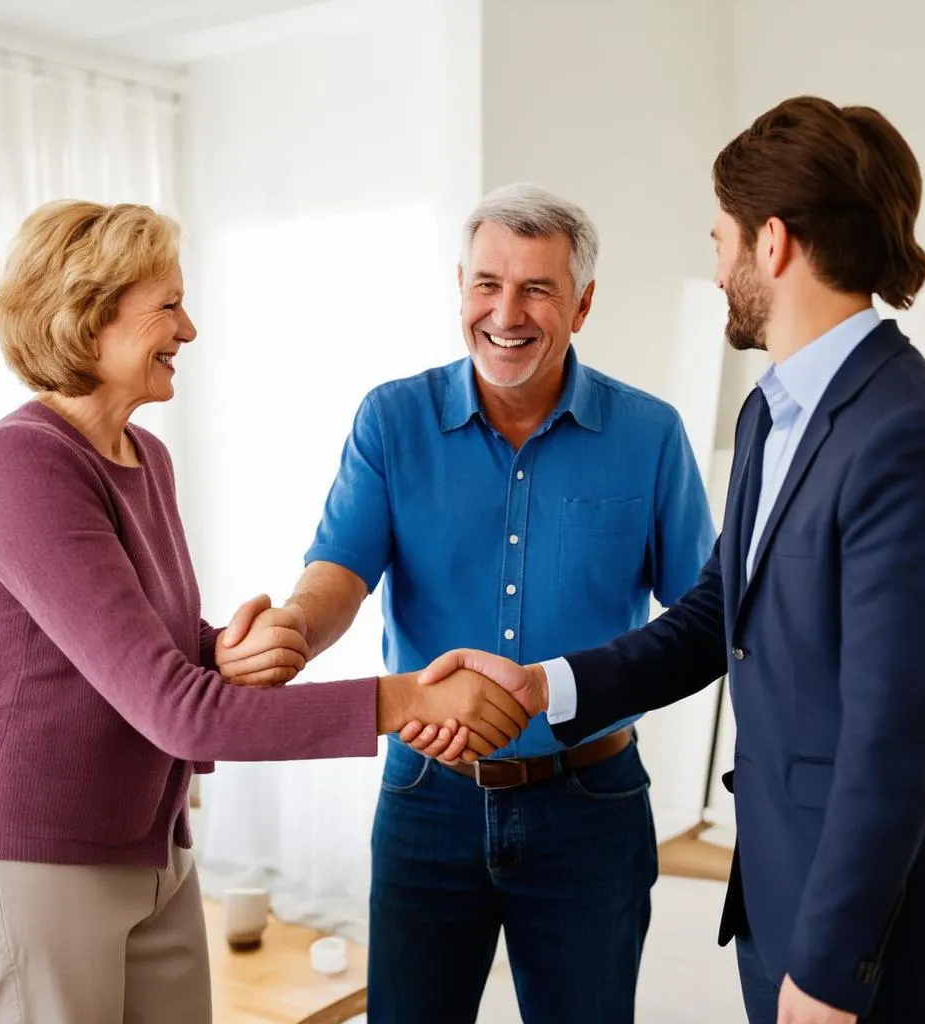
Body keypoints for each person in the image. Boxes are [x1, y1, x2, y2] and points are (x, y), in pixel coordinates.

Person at [0, 199, 528, 1024]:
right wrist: (409, 698)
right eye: (167, 305)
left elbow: (143, 651)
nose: (190, 329)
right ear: (89, 317)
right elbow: (176, 712)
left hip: (149, 848)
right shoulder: (20, 463)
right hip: (31, 861)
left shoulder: (144, 456)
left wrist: (224, 653)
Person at [418, 97, 925, 1024]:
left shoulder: (904, 431)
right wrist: (542, 687)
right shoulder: (771, 412)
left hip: (857, 943)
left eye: (720, 236)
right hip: (776, 900)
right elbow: (711, 618)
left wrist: (828, 971)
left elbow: (896, 735)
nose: (718, 261)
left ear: (771, 244)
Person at [218, 184, 715, 1022]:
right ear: (459, 288)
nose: (506, 312)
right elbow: (339, 569)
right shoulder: (391, 420)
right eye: (487, 284)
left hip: (590, 804)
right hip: (427, 800)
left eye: (537, 288)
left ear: (583, 304)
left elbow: (703, 613)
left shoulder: (651, 434)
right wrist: (294, 629)